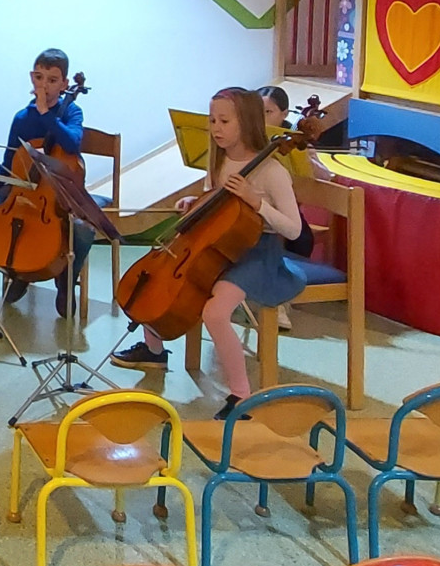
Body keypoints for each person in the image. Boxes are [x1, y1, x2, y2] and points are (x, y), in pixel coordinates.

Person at [111, 87, 306, 420]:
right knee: (159, 281)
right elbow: (216, 200)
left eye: (224, 121)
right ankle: (154, 351)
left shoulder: (272, 172)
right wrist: (196, 203)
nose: (216, 128)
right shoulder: (221, 160)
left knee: (215, 312)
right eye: (213, 120)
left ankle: (241, 396)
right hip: (217, 244)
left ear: (247, 121)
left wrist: (256, 202)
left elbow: (294, 229)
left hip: (259, 255)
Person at [0, 49, 95, 317]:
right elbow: (9, 160)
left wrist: (47, 114)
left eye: (52, 80)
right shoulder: (22, 118)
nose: (44, 85)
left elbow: (72, 143)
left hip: (61, 195)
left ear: (64, 83)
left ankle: (66, 280)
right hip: (24, 191)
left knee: (84, 231)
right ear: (31, 78)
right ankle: (18, 271)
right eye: (39, 78)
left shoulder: (72, 112)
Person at [257, 84, 314, 331]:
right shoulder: (245, 139)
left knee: (299, 237)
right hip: (252, 208)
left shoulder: (293, 141)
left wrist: (307, 157)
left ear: (284, 114)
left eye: (268, 112)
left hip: (282, 209)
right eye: (256, 112)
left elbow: (319, 177)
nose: (261, 119)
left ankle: (280, 295)